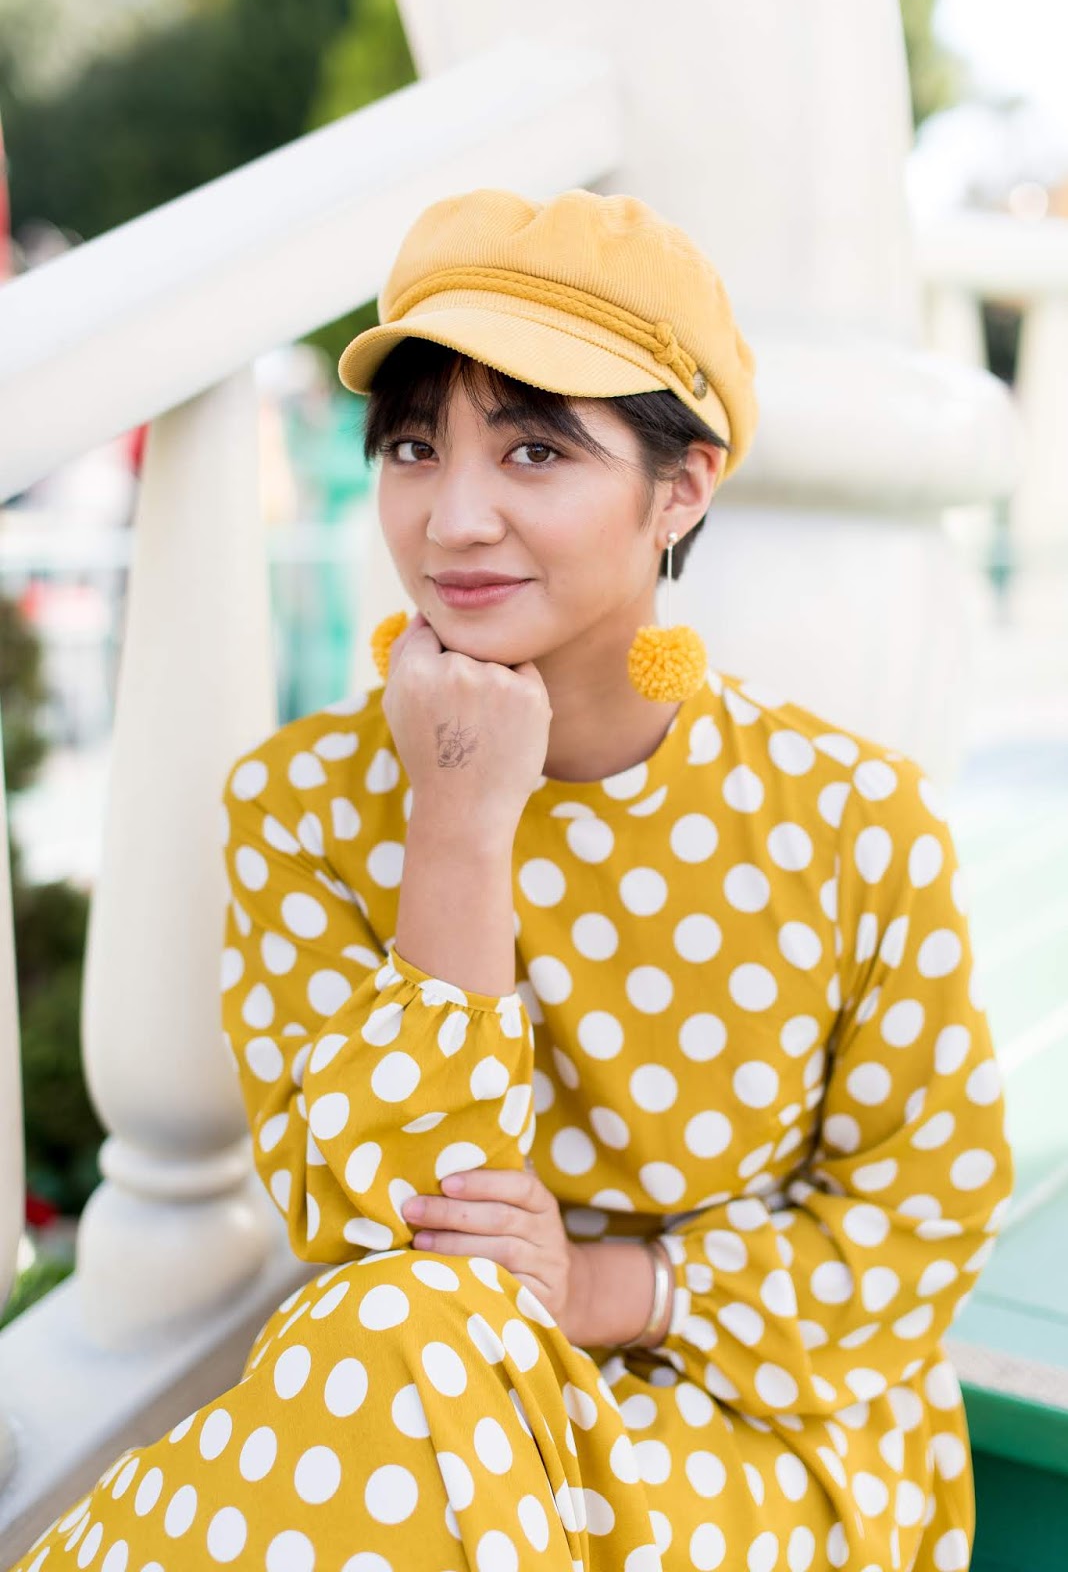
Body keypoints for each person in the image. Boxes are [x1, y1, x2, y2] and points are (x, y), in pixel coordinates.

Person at [11, 187, 1013, 1572]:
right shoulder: (305, 806)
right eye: (414, 447)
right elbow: (387, 1224)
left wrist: (605, 1287)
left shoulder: (848, 820)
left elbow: (924, 1217)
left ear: (683, 486)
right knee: (397, 1332)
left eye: (535, 449)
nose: (454, 517)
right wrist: (460, 824)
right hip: (436, 1391)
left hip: (764, 1431)